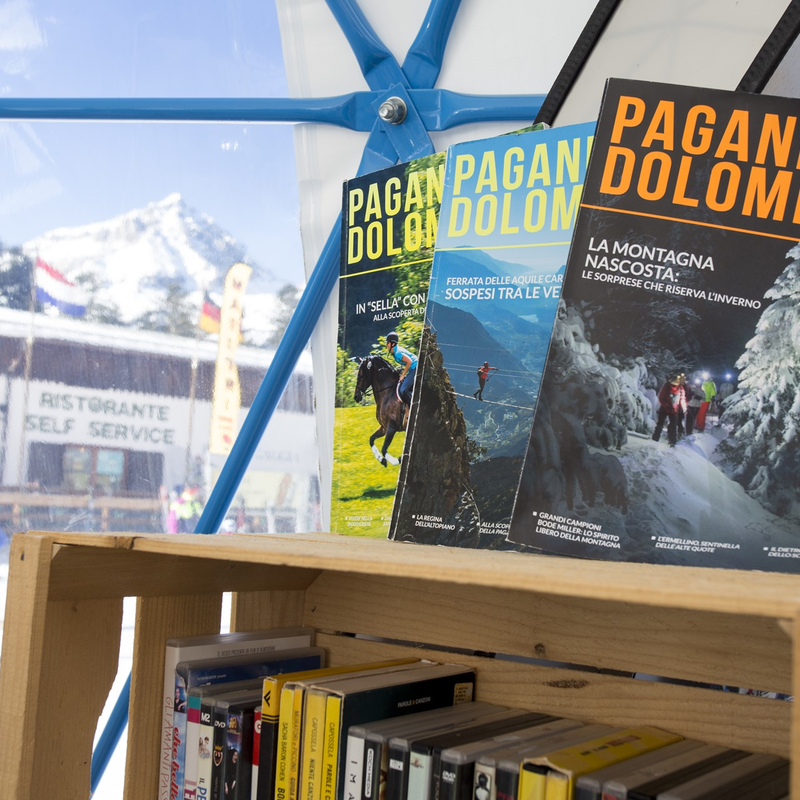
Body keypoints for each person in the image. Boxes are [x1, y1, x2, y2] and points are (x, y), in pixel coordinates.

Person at [385, 331, 417, 405]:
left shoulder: (397, 353)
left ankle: (414, 406)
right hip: (412, 368)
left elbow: (409, 361)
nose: (386, 345)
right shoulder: (395, 352)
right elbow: (405, 362)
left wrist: (403, 375)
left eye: (388, 343)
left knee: (403, 390)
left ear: (393, 344)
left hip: (415, 367)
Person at [652, 374, 682, 446]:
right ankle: (655, 439)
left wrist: (680, 407)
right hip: (664, 408)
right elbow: (661, 397)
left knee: (673, 425)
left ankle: (672, 441)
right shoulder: (666, 386)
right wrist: (667, 406)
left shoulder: (679, 388)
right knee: (660, 424)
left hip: (674, 409)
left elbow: (680, 398)